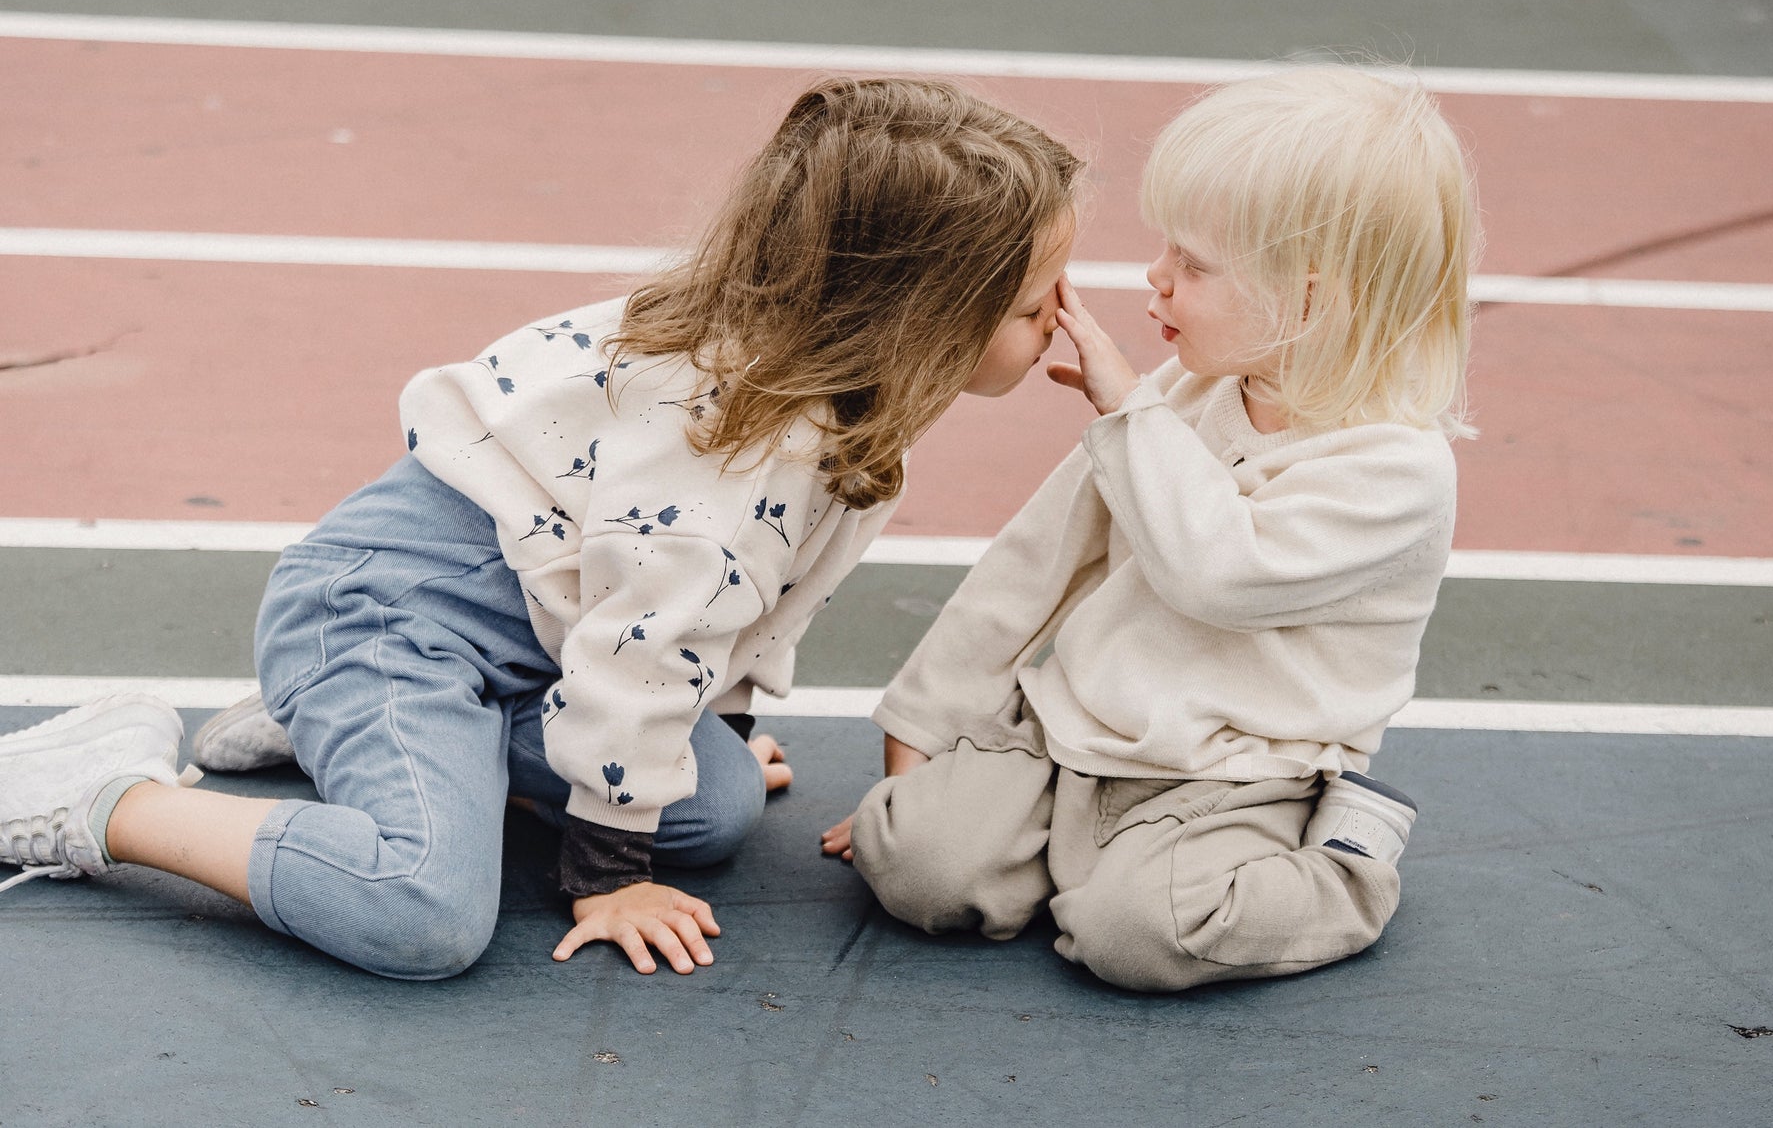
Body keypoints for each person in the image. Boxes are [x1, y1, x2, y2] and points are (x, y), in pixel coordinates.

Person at [0, 77, 1083, 981]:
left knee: (715, 807)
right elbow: (645, 644)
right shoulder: (729, 460)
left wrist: (719, 724)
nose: (1066, 320)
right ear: (920, 316)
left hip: (527, 634)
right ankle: (106, 796)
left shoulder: (809, 373)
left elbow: (736, 611)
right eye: (1038, 301)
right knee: (421, 912)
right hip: (388, 613)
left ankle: (343, 723)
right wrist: (609, 877)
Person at [821, 65, 1476, 992]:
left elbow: (1218, 573)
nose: (1156, 276)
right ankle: (1072, 858)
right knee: (911, 862)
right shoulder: (1186, 397)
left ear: (1313, 299)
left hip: (1240, 775)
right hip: (1073, 737)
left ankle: (1341, 862)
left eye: (1195, 264)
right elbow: (1037, 558)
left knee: (1139, 936)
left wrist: (1128, 412)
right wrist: (920, 742)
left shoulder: (1395, 470)